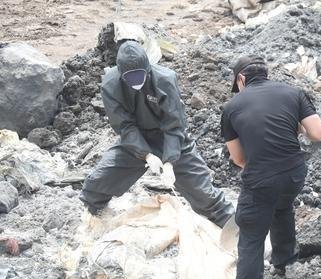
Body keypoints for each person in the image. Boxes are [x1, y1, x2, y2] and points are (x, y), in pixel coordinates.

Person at [80, 41, 234, 227]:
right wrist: (146, 154)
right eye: (130, 77)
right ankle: (93, 219)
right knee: (98, 181)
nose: (136, 81)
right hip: (135, 139)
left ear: (148, 69)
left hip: (170, 138)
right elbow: (124, 125)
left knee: (203, 192)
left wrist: (169, 160)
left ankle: (234, 226)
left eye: (140, 75)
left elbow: (174, 124)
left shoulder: (165, 79)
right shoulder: (110, 85)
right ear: (121, 75)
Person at [221, 55, 321, 279]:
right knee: (282, 207)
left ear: (241, 79)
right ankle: (286, 261)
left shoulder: (232, 107)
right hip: (294, 174)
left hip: (261, 179)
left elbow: (239, 158)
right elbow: (318, 134)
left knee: (252, 236)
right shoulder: (293, 92)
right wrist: (295, 128)